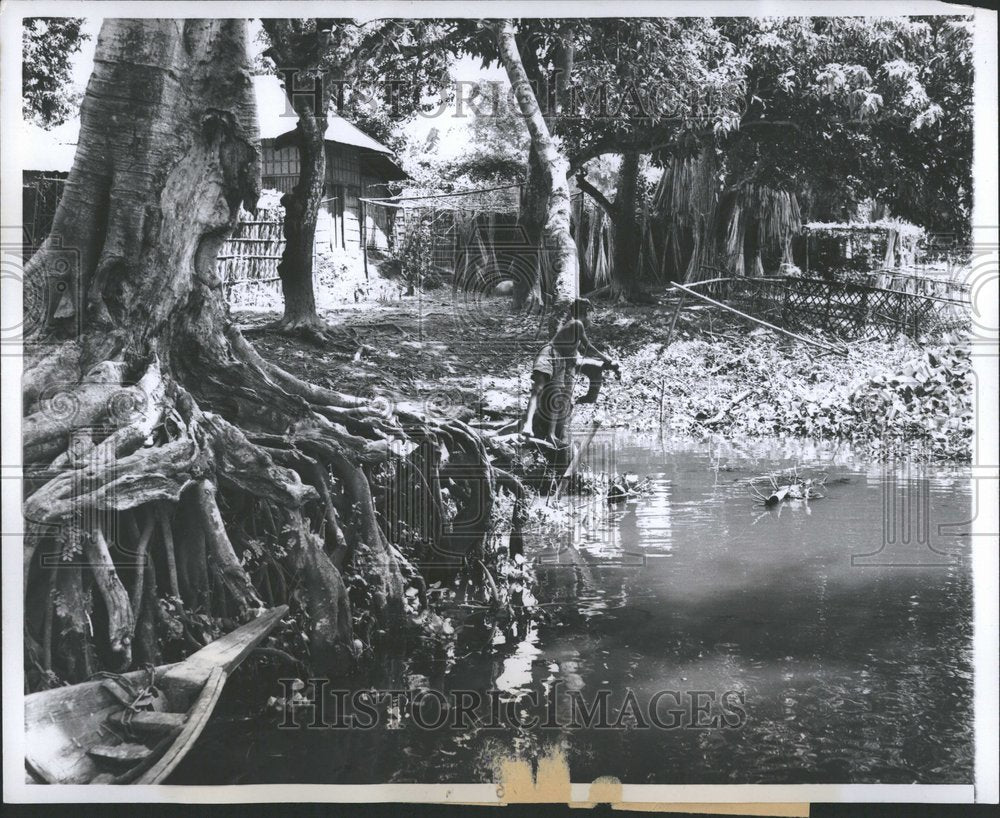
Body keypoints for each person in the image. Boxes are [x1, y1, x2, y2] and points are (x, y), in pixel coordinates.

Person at [522, 298, 620, 444]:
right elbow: (589, 347)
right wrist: (606, 359)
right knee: (538, 389)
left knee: (557, 397)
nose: (592, 319)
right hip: (549, 354)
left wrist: (605, 364)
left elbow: (580, 353)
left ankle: (551, 434)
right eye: (592, 315)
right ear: (587, 312)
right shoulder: (577, 323)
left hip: (560, 360)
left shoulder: (577, 328)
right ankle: (527, 424)